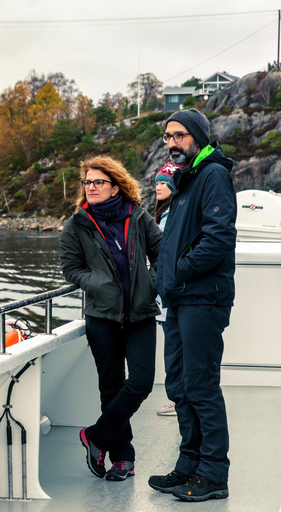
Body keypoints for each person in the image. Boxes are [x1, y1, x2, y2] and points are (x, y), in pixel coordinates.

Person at [149, 108, 236, 502]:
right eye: (168, 137)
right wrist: (166, 280)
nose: (172, 143)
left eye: (180, 135)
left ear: (198, 137)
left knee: (201, 386)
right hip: (180, 298)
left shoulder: (213, 174)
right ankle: (189, 464)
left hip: (202, 297)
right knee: (179, 385)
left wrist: (180, 271)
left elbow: (218, 238)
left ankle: (214, 473)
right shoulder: (186, 180)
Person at [59, 156, 161, 482]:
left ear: (115, 186)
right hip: (102, 316)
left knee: (142, 381)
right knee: (112, 386)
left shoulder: (139, 216)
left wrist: (152, 285)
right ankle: (123, 458)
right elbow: (71, 269)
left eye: (98, 182)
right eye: (87, 183)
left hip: (140, 313)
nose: (91, 187)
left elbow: (162, 255)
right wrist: (99, 285)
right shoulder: (78, 224)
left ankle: (96, 437)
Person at [153, 161, 180, 418]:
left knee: (174, 349)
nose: (159, 186)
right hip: (162, 295)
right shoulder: (162, 213)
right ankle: (178, 397)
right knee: (171, 346)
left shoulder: (174, 215)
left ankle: (177, 400)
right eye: (157, 183)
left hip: (170, 294)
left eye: (164, 182)